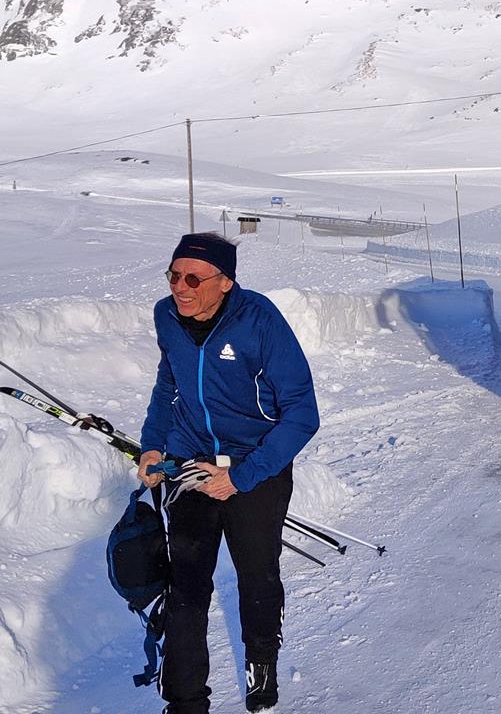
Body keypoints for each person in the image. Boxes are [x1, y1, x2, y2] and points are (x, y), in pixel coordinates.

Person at [140, 232, 320, 714]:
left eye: (194, 278)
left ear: (225, 282)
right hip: (191, 463)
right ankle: (185, 701)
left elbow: (302, 413)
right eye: (174, 275)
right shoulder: (166, 317)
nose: (180, 287)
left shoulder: (258, 321)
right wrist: (154, 444)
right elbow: (168, 383)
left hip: (255, 465)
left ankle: (262, 673)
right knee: (186, 586)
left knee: (257, 578)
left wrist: (242, 476)